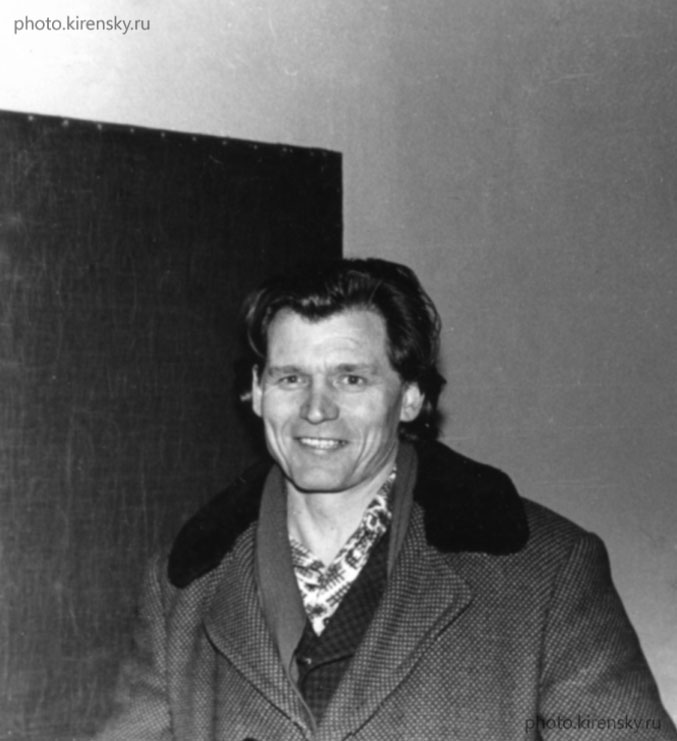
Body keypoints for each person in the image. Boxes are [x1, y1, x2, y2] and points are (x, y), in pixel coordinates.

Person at [95, 258, 676, 740]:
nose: (316, 409)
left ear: (411, 398)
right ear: (256, 392)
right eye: (291, 378)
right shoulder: (182, 588)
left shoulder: (545, 573)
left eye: (351, 379)